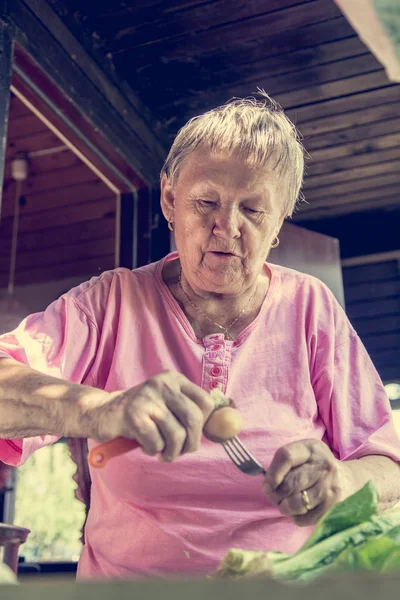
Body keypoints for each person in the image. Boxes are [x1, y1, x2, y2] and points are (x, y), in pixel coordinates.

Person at [0, 95, 399, 580]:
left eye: (253, 210)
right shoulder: (111, 303)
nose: (225, 228)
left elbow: (386, 463)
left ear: (278, 223)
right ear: (170, 199)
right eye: (206, 202)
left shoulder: (310, 308)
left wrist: (344, 479)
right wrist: (101, 410)